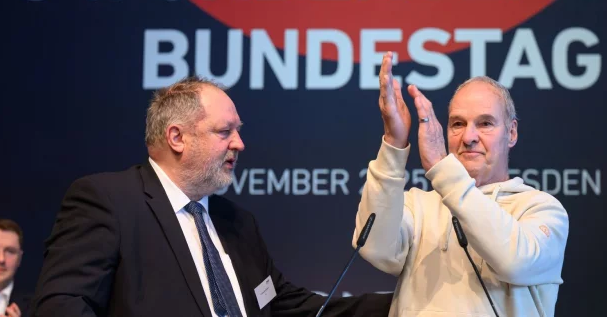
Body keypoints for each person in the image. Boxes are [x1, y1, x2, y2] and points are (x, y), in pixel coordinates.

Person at [32, 76, 391, 317]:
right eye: (225, 131)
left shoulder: (237, 223)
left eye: (238, 131)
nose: (240, 143)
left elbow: (285, 306)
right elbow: (61, 305)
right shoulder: (109, 201)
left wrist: (406, 305)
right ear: (177, 138)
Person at [353, 52, 569, 316]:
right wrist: (394, 143)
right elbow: (374, 248)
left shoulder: (541, 209)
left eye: (485, 123)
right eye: (458, 124)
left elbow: (514, 262)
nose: (469, 137)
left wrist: (443, 170)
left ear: (511, 132)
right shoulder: (418, 206)